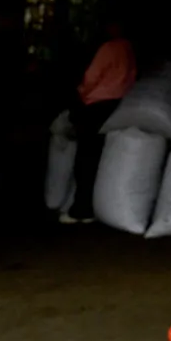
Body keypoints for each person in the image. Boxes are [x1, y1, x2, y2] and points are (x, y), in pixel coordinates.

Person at [60, 17, 137, 224]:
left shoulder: (109, 48)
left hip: (96, 105)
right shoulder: (128, 48)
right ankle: (93, 206)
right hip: (116, 104)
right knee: (99, 157)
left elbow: (92, 76)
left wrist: (81, 94)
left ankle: (81, 209)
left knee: (86, 157)